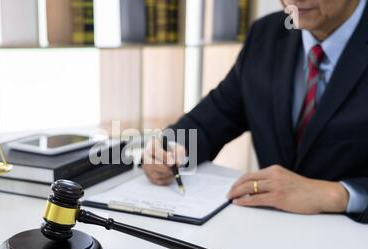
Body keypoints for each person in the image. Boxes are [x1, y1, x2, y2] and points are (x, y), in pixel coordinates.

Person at [142, 0, 368, 223]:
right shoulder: (266, 33)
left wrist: (337, 194)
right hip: (269, 232)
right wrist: (170, 149)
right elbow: (216, 115)